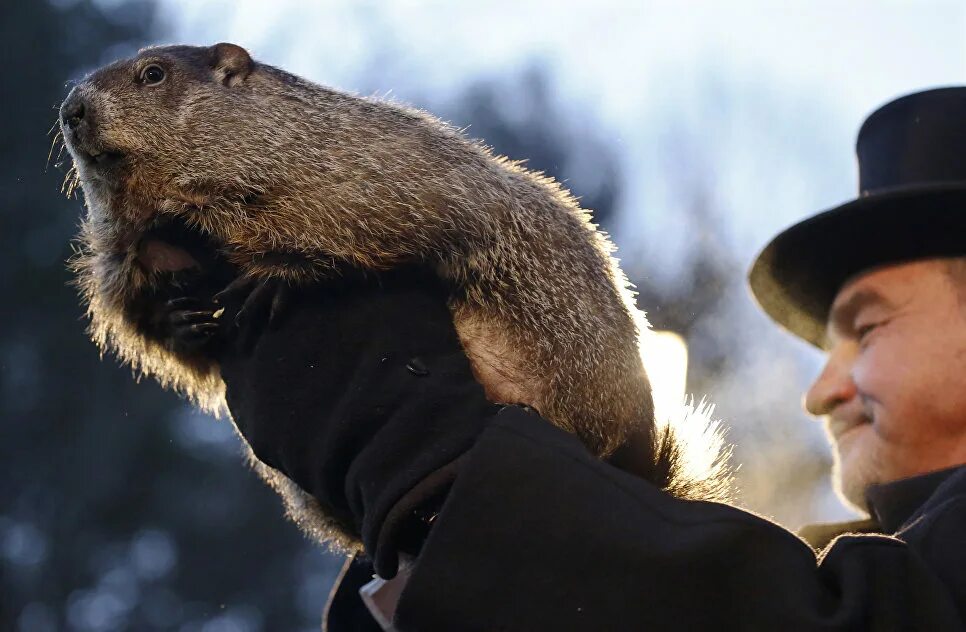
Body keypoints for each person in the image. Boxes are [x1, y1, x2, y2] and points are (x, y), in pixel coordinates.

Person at [218, 87, 966, 631]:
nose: (820, 391)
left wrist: (437, 468)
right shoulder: (817, 555)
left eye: (866, 330)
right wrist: (418, 542)